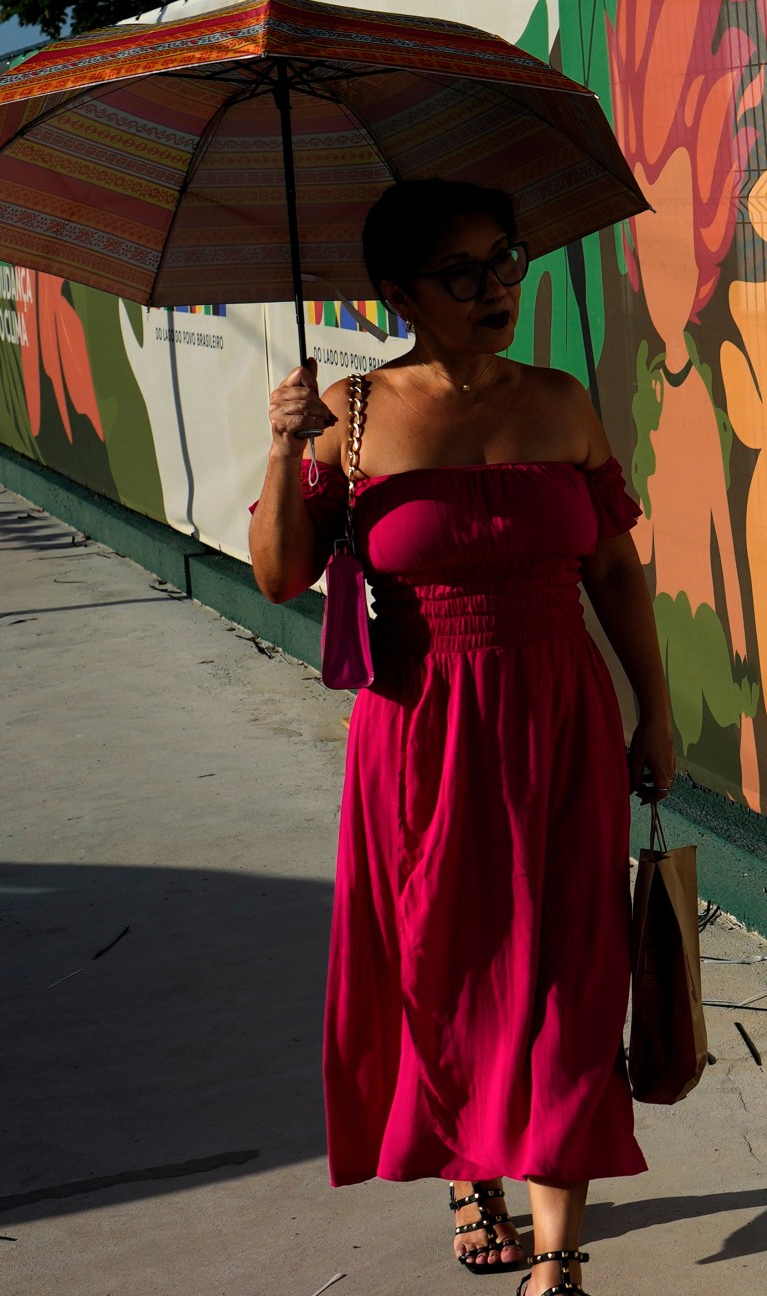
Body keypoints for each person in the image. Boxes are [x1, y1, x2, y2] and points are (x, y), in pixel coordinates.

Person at [249, 178, 676, 1296]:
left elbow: (615, 569)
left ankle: (560, 1257)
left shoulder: (564, 401)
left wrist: (657, 708)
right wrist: (282, 449)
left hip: (561, 714)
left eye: (507, 259)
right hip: (421, 726)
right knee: (444, 961)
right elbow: (281, 575)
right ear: (398, 293)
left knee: (569, 967)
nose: (496, 289)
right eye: (463, 274)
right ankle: (465, 1165)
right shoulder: (348, 416)